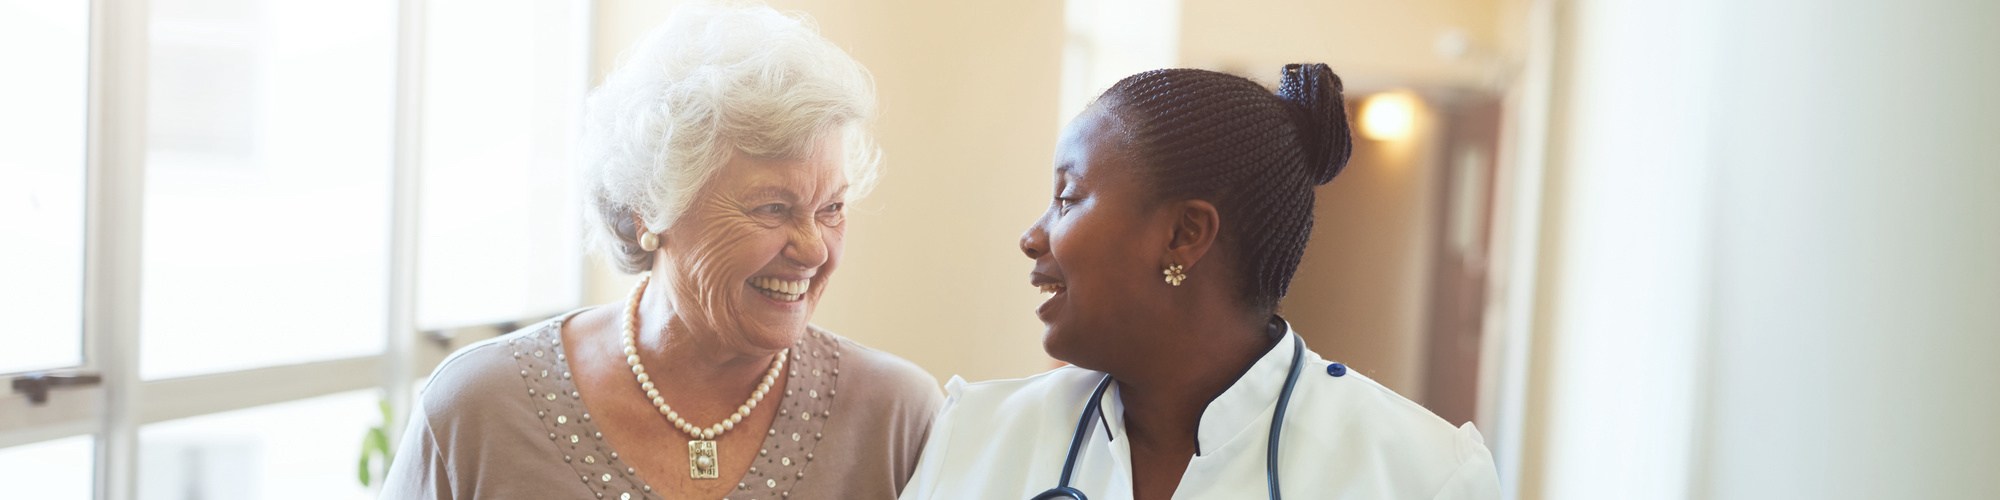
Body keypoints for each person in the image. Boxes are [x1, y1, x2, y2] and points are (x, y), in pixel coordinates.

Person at [381, 3, 942, 499]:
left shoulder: (898, 417)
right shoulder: (476, 410)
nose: (815, 249)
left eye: (831, 209)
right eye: (772, 208)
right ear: (644, 208)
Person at [898, 64, 1500, 500]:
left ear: (1186, 233)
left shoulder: (1423, 475)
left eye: (1068, 197)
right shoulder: (975, 432)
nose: (1033, 237)